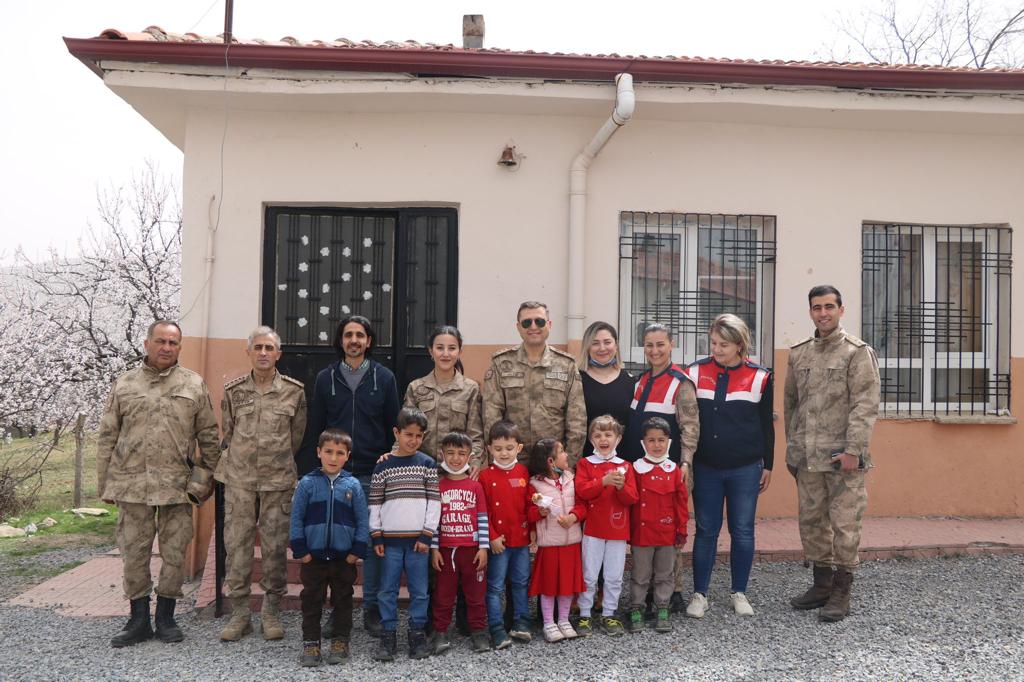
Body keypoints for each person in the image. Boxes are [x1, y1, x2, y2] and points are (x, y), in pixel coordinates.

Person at [97, 320, 220, 647]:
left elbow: (209, 438)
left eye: (173, 342)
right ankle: (138, 619)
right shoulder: (124, 384)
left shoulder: (194, 385)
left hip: (177, 488)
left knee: (175, 553)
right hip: (131, 486)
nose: (167, 347)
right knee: (134, 553)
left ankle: (166, 616)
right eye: (161, 341)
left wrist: (203, 482)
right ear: (147, 343)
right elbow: (107, 435)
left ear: (180, 347)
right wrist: (105, 485)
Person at [192, 326, 307, 643]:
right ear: (249, 352)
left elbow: (295, 437)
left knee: (273, 549)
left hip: (277, 481)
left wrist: (273, 460)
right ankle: (240, 613)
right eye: (258, 347)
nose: (263, 353)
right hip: (240, 481)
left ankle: (271, 611)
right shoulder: (233, 391)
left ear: (278, 354)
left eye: (269, 348)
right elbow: (228, 432)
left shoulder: (294, 392)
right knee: (238, 548)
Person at [299, 314, 400, 635]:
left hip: (373, 473)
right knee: (338, 542)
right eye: (348, 335)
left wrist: (392, 466)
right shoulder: (326, 378)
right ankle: (337, 608)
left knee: (372, 544)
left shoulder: (384, 378)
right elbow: (315, 425)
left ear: (369, 341)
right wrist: (308, 473)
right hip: (334, 476)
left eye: (360, 335)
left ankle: (371, 607)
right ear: (340, 341)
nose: (354, 340)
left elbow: (392, 427)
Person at [785, 285, 880, 623]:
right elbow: (792, 404)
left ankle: (842, 590)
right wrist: (792, 448)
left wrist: (854, 450)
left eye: (828, 306)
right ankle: (821, 584)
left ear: (841, 309)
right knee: (812, 523)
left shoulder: (856, 353)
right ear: (810, 311)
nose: (822, 313)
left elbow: (865, 405)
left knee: (844, 524)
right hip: (808, 458)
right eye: (816, 307)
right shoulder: (799, 354)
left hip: (843, 459)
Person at [683, 314, 774, 619]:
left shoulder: (761, 377)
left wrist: (768, 464)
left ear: (739, 344)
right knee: (706, 529)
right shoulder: (695, 372)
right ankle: (700, 594)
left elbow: (766, 425)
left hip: (745, 467)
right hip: (707, 466)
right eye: (713, 343)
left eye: (724, 344)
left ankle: (739, 592)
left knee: (743, 530)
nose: (717, 349)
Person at [624, 322, 700, 612]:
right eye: (649, 345)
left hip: (672, 471)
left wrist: (685, 462)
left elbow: (691, 428)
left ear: (672, 345)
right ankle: (643, 592)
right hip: (641, 470)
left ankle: (673, 591)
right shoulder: (641, 381)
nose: (654, 350)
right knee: (645, 529)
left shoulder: (681, 383)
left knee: (669, 530)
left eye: (660, 344)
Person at [289, 428, 368, 667]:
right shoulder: (306, 484)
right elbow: (296, 518)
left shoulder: (353, 485)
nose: (333, 458)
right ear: (318, 452)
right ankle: (311, 643)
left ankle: (340, 641)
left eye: (339, 453)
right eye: (329, 452)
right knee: (311, 600)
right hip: (313, 558)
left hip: (343, 558)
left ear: (347, 456)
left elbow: (362, 520)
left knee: (343, 600)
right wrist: (301, 551)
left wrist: (357, 551)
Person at [369, 407, 440, 661]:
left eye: (419, 436)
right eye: (408, 434)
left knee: (419, 590)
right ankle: (388, 635)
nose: (413, 440)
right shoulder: (383, 466)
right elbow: (375, 503)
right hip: (389, 543)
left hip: (418, 544)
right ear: (396, 433)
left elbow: (434, 503)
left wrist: (426, 535)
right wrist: (376, 535)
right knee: (387, 589)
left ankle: (417, 634)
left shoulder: (427, 464)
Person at [482, 300, 587, 465]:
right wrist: (496, 461)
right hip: (511, 460)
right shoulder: (501, 363)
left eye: (539, 321)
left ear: (549, 325)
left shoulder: (566, 365)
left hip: (552, 461)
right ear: (518, 327)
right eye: (526, 322)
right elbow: (491, 416)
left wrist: (569, 464)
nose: (533, 327)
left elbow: (577, 420)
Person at [574, 415, 638, 637]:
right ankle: (584, 613)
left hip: (618, 530)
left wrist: (621, 488)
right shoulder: (585, 463)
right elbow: (581, 491)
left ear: (618, 439)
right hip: (593, 529)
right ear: (591, 439)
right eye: (598, 434)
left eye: (608, 434)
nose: (603, 439)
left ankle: (609, 613)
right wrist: (603, 482)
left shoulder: (626, 466)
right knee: (589, 573)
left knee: (614, 574)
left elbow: (632, 499)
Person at [430, 432, 491, 655]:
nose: (456, 458)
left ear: (469, 456)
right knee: (443, 595)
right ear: (442, 454)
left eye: (461, 453)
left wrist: (484, 547)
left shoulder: (475, 486)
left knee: (476, 596)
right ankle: (440, 631)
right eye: (451, 453)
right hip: (446, 550)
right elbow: (433, 520)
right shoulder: (438, 485)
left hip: (472, 550)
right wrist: (434, 548)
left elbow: (483, 518)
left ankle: (478, 631)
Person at [628, 417, 689, 634]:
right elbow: (629, 503)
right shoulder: (635, 469)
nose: (656, 445)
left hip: (666, 533)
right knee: (641, 575)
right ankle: (637, 608)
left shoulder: (673, 470)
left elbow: (681, 504)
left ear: (669, 441)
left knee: (665, 575)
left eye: (661, 440)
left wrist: (681, 530)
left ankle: (662, 607)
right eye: (651, 440)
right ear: (644, 442)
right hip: (642, 535)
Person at [396, 325, 485, 471]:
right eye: (439, 348)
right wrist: (395, 455)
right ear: (431, 351)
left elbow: (475, 434)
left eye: (452, 348)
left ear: (459, 352)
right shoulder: (416, 387)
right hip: (421, 468)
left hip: (458, 471)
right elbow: (406, 428)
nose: (445, 354)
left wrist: (475, 461)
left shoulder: (471, 388)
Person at [477, 421, 532, 649]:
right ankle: (496, 628)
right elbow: (482, 511)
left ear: (518, 448)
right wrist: (491, 536)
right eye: (498, 448)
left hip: (521, 540)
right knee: (495, 587)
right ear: (490, 448)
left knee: (520, 583)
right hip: (499, 543)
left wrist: (539, 514)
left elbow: (529, 504)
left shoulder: (523, 472)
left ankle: (521, 622)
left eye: (509, 448)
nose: (504, 453)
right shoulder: (485, 476)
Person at [526, 439, 586, 644]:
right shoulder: (534, 484)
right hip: (550, 543)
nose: (567, 455)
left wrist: (574, 517)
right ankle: (548, 623)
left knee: (567, 584)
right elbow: (528, 512)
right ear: (551, 461)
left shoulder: (571, 478)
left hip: (571, 542)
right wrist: (539, 512)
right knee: (549, 584)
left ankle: (563, 620)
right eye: (562, 451)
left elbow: (582, 505)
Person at [577, 322, 635, 461]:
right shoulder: (577, 381)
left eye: (607, 342)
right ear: (587, 347)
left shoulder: (631, 382)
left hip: (623, 463)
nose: (602, 348)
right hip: (586, 464)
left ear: (616, 345)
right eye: (595, 343)